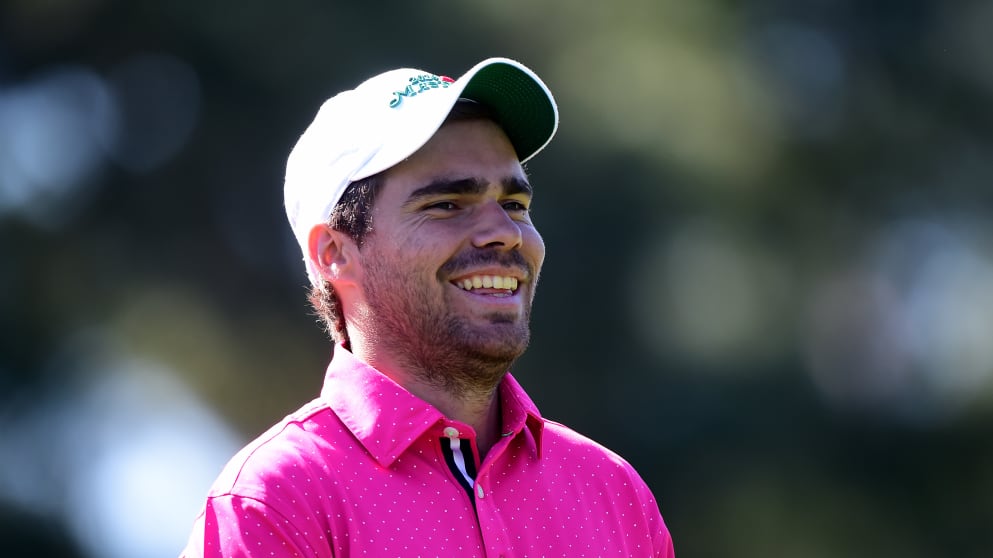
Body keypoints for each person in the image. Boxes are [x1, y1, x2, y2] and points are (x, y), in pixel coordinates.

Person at [181, 57, 675, 557]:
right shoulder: (276, 502)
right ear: (334, 253)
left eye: (514, 205)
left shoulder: (613, 493)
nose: (504, 232)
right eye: (447, 205)